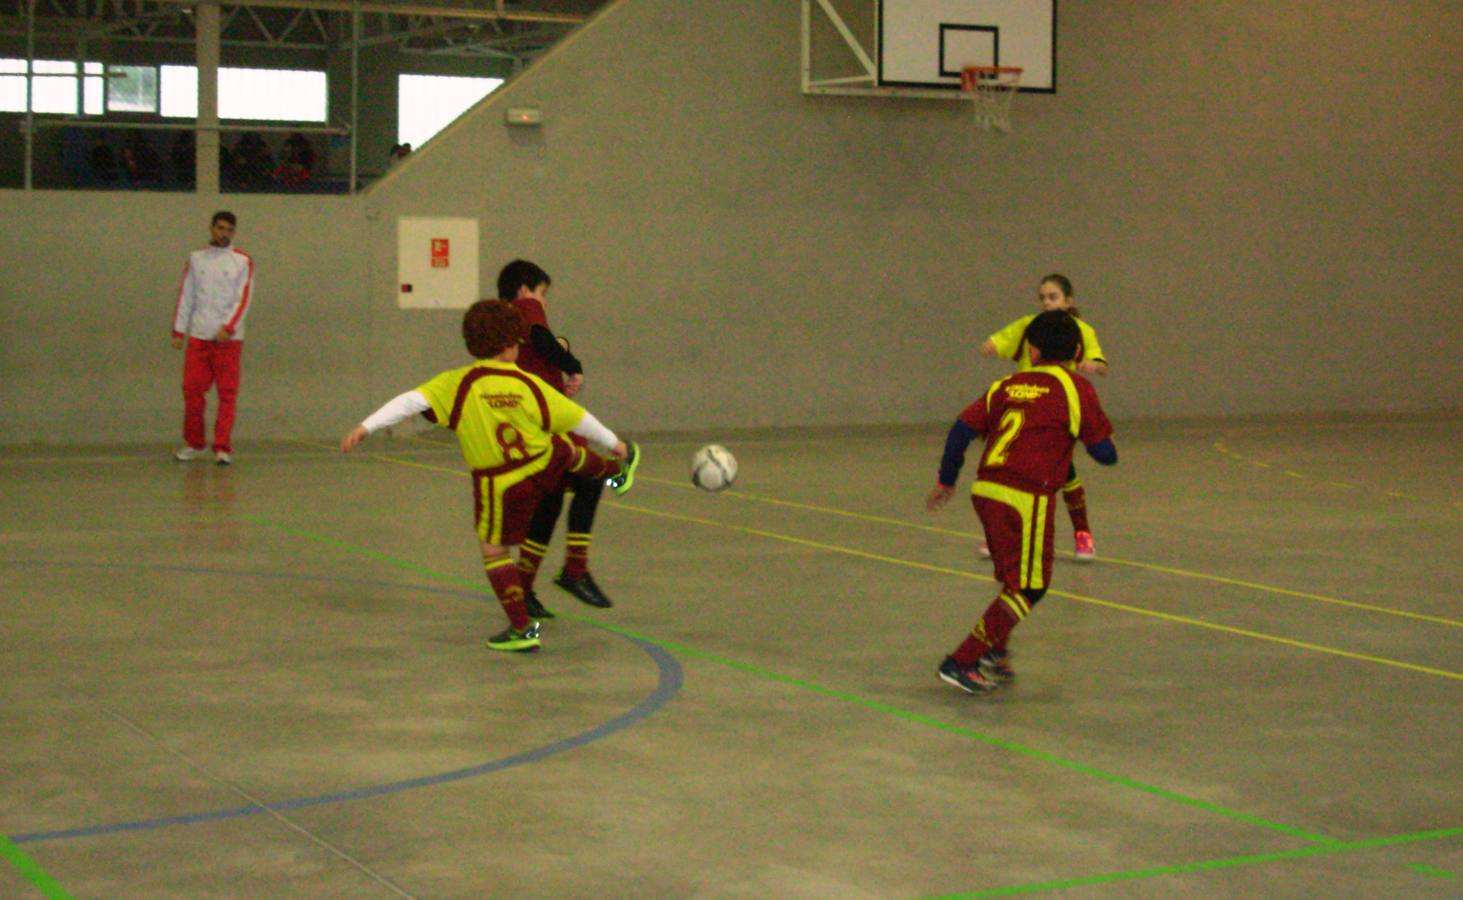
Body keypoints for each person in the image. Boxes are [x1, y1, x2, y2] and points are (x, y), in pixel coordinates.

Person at [340, 299, 641, 652]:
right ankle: (616, 471)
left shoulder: (457, 384)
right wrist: (615, 443)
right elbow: (577, 417)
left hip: (501, 482)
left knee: (494, 550)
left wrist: (367, 426)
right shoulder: (527, 383)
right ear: (513, 342)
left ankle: (522, 629)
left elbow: (408, 402)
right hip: (542, 461)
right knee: (567, 452)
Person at [928, 310, 1117, 692]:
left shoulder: (1006, 385)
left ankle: (994, 654)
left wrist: (946, 480)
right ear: (1078, 349)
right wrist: (1095, 438)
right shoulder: (1075, 389)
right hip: (1025, 497)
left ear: (1031, 349)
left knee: (1011, 579)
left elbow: (959, 431)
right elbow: (1104, 454)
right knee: (1030, 588)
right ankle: (961, 660)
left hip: (985, 492)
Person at [497, 259, 618, 619]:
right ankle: (574, 571)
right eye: (541, 293)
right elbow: (542, 339)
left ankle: (524, 586)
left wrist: (555, 370)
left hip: (524, 425)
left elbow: (535, 355)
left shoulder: (502, 321)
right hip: (545, 427)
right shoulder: (524, 309)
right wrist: (572, 362)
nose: (543, 302)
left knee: (550, 500)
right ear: (524, 290)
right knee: (593, 476)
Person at [980, 273, 1109, 561]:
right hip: (1026, 405)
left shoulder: (1081, 330)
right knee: (1011, 471)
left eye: (1053, 297)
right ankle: (1000, 534)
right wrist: (992, 344)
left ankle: (1082, 533)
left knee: (1065, 472)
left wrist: (1092, 365)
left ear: (1068, 301)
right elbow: (1004, 339)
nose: (1047, 303)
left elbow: (1102, 365)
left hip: (1058, 410)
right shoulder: (1030, 326)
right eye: (1043, 298)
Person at [171, 211, 255, 466]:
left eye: (229, 229)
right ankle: (194, 443)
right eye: (220, 228)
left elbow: (244, 298)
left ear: (234, 232)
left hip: (229, 341)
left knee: (227, 395)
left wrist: (228, 328)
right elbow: (186, 295)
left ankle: (222, 447)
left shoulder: (243, 261)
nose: (223, 233)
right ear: (211, 228)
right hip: (198, 337)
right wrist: (178, 330)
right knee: (192, 392)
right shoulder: (196, 259)